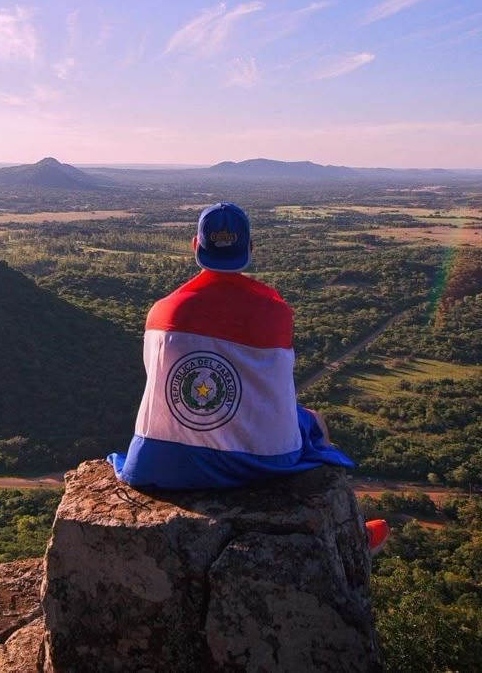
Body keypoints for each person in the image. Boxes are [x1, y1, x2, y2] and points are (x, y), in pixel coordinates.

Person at [107, 202, 388, 554]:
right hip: (262, 463)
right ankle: (349, 539)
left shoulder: (160, 312)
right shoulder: (275, 313)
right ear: (250, 248)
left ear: (195, 246)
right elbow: (274, 387)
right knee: (315, 420)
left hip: (157, 463)